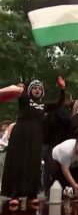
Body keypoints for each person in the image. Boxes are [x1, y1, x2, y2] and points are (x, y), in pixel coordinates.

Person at [1, 77, 65, 207]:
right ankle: (15, 194)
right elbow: (16, 91)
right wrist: (19, 87)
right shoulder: (24, 99)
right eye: (35, 88)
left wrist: (62, 89)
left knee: (33, 163)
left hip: (36, 135)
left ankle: (32, 194)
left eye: (39, 88)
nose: (37, 90)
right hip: (21, 133)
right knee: (18, 162)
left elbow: (59, 102)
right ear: (30, 90)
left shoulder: (44, 105)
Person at [50, 132, 78, 199]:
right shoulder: (66, 150)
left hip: (74, 164)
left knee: (75, 181)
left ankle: (72, 193)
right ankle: (51, 192)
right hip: (57, 160)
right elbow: (65, 170)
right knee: (61, 184)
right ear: (77, 144)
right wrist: (74, 185)